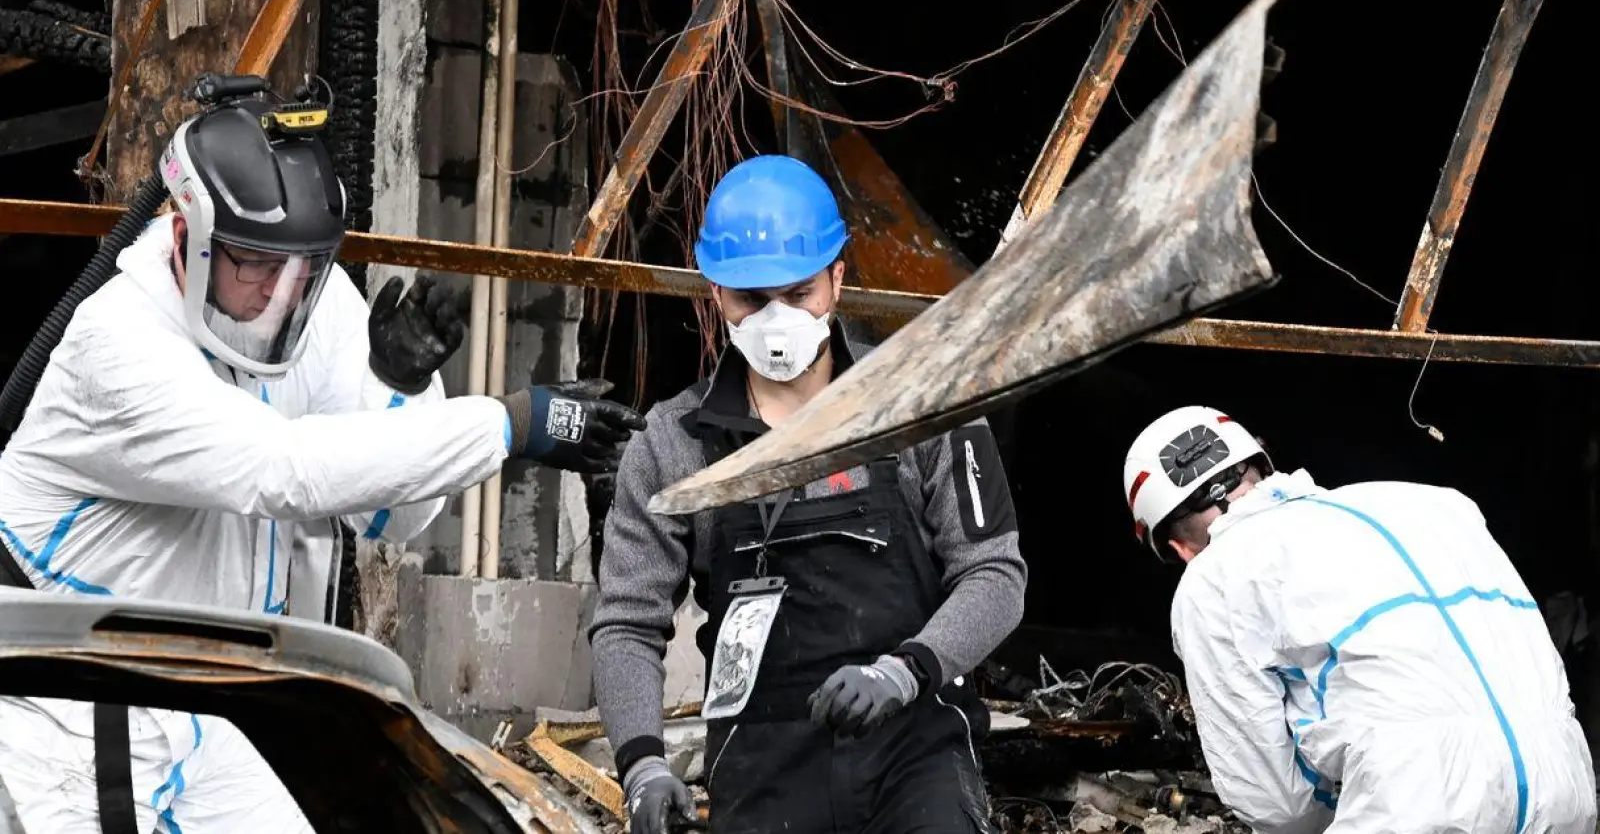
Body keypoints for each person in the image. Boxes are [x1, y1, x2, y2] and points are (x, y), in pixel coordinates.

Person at [0, 81, 646, 834]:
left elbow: (388, 518)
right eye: (254, 268)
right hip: (78, 705)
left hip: (205, 696)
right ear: (187, 238)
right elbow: (284, 472)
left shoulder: (303, 287)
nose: (280, 295)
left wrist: (399, 389)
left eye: (300, 270)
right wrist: (511, 424)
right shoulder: (115, 346)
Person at [588, 154, 1027, 834]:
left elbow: (995, 576)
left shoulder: (923, 413)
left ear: (838, 279)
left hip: (913, 753)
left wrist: (905, 672)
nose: (776, 320)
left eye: (797, 294)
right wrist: (642, 764)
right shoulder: (673, 445)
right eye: (751, 300)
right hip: (763, 770)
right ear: (716, 295)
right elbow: (627, 621)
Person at [1121, 405, 1597, 834]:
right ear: (1262, 465)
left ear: (1175, 545)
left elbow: (1275, 803)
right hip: (1566, 789)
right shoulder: (1440, 505)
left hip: (1413, 810)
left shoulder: (1212, 578)